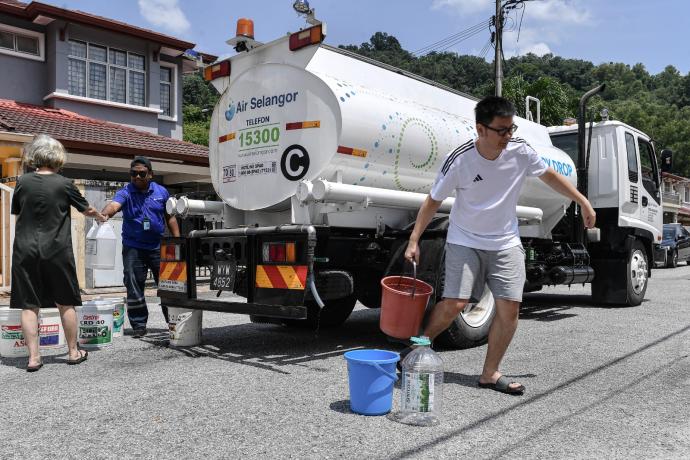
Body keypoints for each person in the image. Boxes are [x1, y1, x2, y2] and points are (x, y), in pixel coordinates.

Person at [403, 96, 596, 395]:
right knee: (455, 303)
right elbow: (433, 201)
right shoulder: (461, 159)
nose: (508, 135)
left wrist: (581, 200)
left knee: (510, 310)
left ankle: (490, 373)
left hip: (505, 241)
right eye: (502, 130)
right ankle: (418, 345)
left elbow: (549, 176)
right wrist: (414, 239)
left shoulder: (520, 150)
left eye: (511, 128)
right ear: (481, 129)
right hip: (464, 239)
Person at [10, 135, 107, 371]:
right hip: (56, 250)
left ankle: (34, 358)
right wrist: (100, 216)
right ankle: (74, 352)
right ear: (58, 158)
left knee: (28, 305)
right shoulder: (65, 184)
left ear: (36, 156)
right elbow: (87, 209)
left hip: (25, 249)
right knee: (65, 302)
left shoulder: (23, 182)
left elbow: (17, 211)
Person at [101, 156, 180, 338]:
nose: (137, 177)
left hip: (157, 246)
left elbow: (171, 217)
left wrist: (177, 241)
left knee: (169, 285)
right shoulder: (126, 192)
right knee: (133, 284)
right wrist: (105, 214)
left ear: (150, 174)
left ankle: (173, 322)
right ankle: (138, 325)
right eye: (133, 173)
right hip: (133, 247)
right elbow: (114, 205)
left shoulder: (161, 192)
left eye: (141, 173)